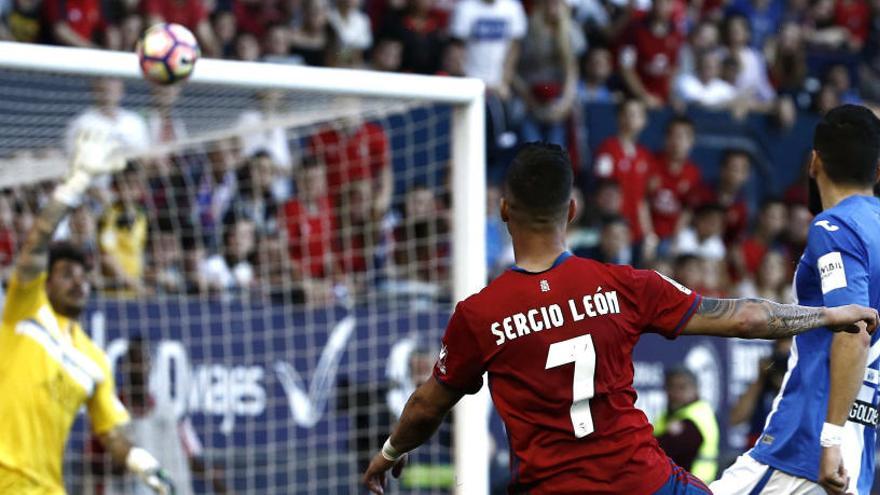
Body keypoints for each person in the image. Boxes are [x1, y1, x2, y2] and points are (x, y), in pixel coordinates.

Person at [361, 142, 878, 495]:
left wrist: (389, 452)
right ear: (572, 211)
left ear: (503, 210)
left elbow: (429, 405)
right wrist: (827, 313)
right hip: (643, 482)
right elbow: (743, 318)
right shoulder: (624, 285)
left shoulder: (479, 315)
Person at [711, 105, 880, 495]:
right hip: (856, 457)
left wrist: (830, 439)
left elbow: (854, 331)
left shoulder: (835, 226)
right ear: (878, 170)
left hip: (806, 448)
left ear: (813, 161)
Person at [0, 131, 173, 493]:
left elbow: (111, 433)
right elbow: (35, 245)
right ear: (46, 283)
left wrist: (142, 462)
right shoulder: (25, 313)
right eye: (66, 275)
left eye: (84, 277)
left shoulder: (94, 360)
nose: (78, 283)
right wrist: (75, 184)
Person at [654, 367, 720, 483]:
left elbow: (668, 449)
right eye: (671, 387)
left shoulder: (695, 416)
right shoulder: (669, 414)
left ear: (695, 389)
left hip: (693, 486)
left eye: (682, 387)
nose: (675, 393)